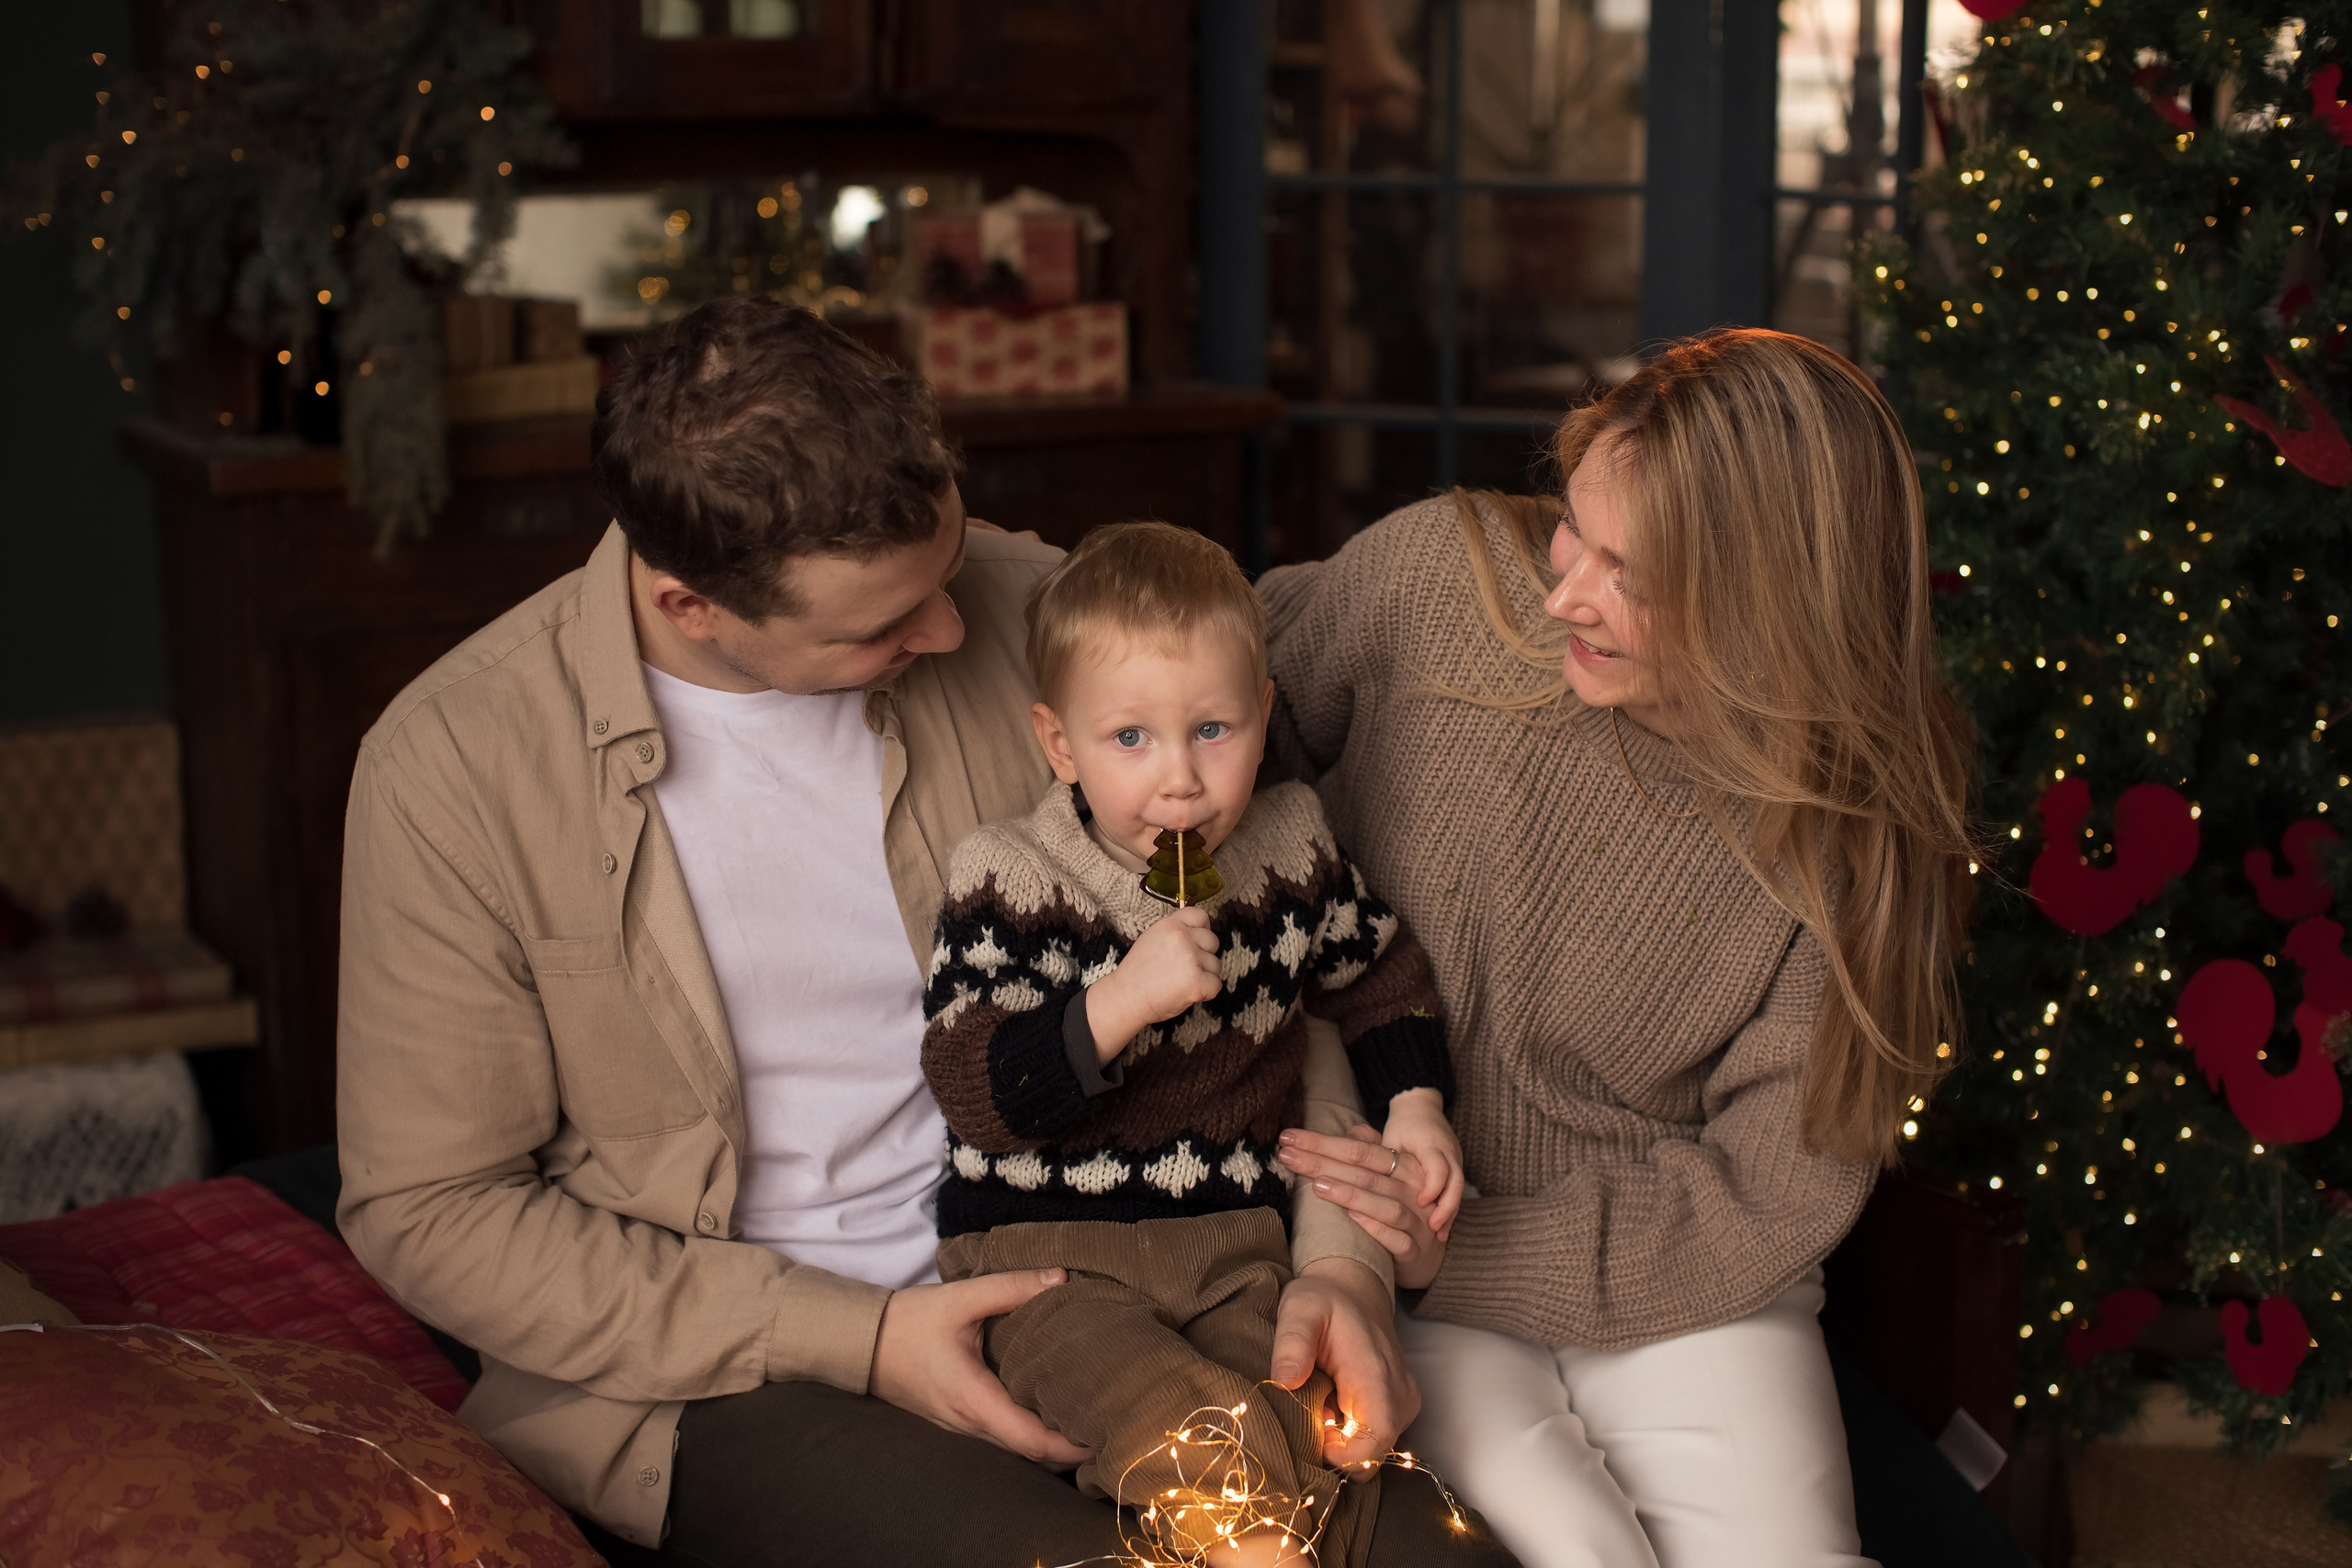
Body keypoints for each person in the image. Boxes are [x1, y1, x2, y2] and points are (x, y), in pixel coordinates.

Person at [334, 297, 1510, 1567]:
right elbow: (432, 1206)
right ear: (690, 604)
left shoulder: (1046, 619)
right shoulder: (455, 768)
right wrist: (863, 1338)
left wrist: (1343, 1266)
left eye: (946, 570)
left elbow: (1279, 956)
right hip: (743, 1367)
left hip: (1130, 1258)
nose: (951, 634)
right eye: (880, 628)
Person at [1264, 329, 1974, 1568]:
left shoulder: (1856, 827)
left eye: (1627, 572)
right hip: (1385, 1229)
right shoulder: (1440, 579)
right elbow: (1221, 716)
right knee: (1582, 1554)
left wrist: (1471, 1245)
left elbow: (1768, 1187)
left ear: (1772, 606)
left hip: (1679, 1270)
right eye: (1572, 529)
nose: (1562, 595)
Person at [920, 523, 1464, 1567]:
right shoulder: (1010, 877)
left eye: (1213, 728)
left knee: (1310, 1416)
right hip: (1049, 1260)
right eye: (1130, 740)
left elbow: (1381, 977)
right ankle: (1253, 1546)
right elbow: (973, 1087)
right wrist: (1116, 1004)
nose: (1180, 781)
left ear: (1261, 717)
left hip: (1232, 1247)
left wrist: (1416, 1106)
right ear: (1059, 743)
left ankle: (1278, 1530)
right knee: (1162, 1410)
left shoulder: (1293, 843)